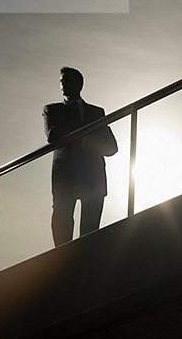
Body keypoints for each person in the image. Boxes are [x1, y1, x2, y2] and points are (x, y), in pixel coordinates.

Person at [42, 67, 118, 247]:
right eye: (61, 81)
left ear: (79, 84)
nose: (63, 85)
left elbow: (111, 147)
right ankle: (61, 262)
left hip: (93, 177)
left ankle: (85, 262)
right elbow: (53, 135)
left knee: (90, 233)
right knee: (62, 224)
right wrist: (88, 140)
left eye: (67, 80)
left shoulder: (96, 112)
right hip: (66, 177)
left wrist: (81, 141)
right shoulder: (52, 109)